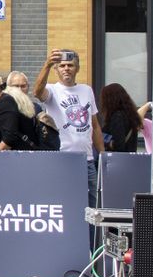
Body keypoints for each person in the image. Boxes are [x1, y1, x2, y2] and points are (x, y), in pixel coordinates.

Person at [33, 48, 104, 201]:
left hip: (87, 159)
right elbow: (37, 92)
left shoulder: (86, 90)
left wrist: (103, 154)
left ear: (77, 68)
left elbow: (95, 125)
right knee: (63, 200)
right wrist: (47, 64)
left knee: (91, 205)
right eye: (62, 65)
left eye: (70, 65)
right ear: (56, 69)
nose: (66, 69)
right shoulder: (53, 90)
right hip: (61, 157)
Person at [98, 83, 141, 153]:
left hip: (118, 161)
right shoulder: (130, 115)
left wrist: (106, 143)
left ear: (109, 100)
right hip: (130, 159)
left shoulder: (117, 117)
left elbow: (119, 145)